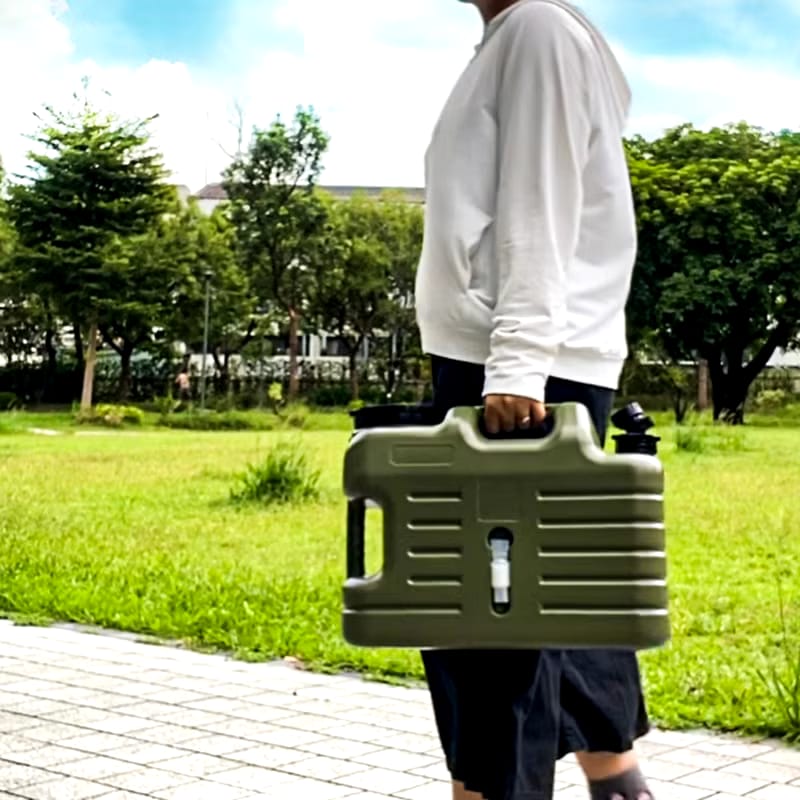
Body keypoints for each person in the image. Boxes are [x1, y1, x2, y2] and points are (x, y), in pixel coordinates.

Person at [413, 1, 654, 799]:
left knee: (485, 635)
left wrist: (516, 367)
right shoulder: (523, 38)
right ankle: (620, 789)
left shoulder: (537, 31)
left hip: (515, 374)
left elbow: (536, 206)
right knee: (565, 615)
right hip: (524, 361)